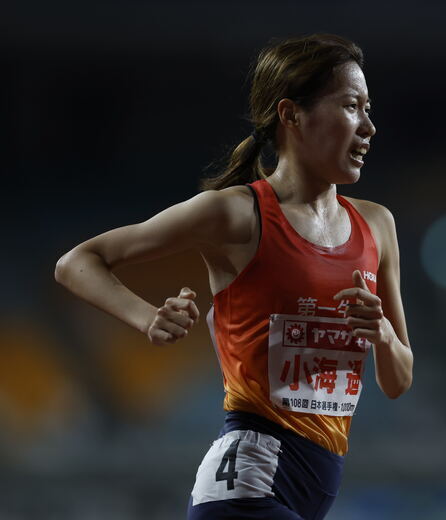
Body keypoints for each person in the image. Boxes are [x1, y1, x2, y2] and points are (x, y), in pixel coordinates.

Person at [54, 33, 413, 520]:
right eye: (351, 106)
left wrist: (385, 336)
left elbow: (398, 380)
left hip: (310, 489)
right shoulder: (237, 215)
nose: (369, 126)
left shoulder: (377, 226)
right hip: (247, 483)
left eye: (369, 108)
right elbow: (77, 262)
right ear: (291, 115)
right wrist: (147, 318)